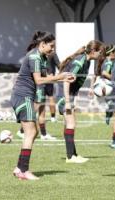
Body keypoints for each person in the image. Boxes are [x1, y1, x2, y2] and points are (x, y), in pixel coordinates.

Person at [11, 31, 75, 180]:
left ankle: (19, 168)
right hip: (23, 96)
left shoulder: (41, 56)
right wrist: (60, 77)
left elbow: (46, 78)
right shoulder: (34, 56)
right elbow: (39, 81)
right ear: (42, 44)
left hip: (25, 96)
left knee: (33, 132)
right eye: (51, 46)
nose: (53, 49)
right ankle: (23, 170)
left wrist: (63, 77)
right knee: (31, 133)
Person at [56, 40, 105, 163]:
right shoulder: (80, 61)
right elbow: (66, 80)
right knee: (71, 124)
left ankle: (73, 154)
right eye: (100, 52)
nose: (101, 54)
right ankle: (70, 157)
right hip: (64, 96)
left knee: (69, 125)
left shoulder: (87, 61)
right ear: (93, 51)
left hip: (68, 95)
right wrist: (67, 102)